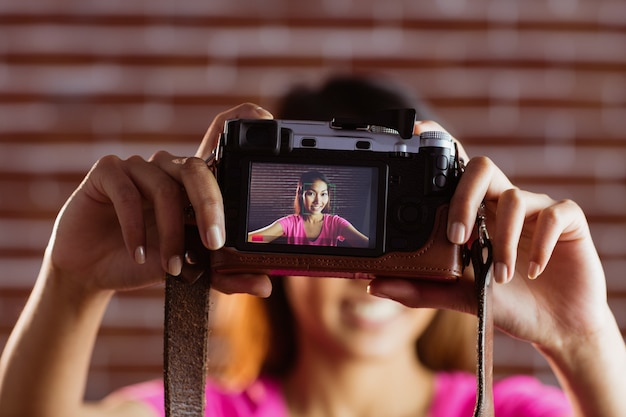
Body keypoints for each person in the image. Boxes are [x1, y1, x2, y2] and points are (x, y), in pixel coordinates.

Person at [0, 75, 625, 417]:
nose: (362, 277)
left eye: (397, 209)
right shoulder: (204, 408)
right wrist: (70, 284)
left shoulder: (511, 409)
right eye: (308, 195)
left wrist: (583, 338)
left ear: (457, 224)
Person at [247, 169, 370, 247]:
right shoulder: (290, 223)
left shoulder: (336, 223)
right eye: (311, 193)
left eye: (323, 194)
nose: (318, 201)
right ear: (301, 195)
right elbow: (256, 238)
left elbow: (364, 244)